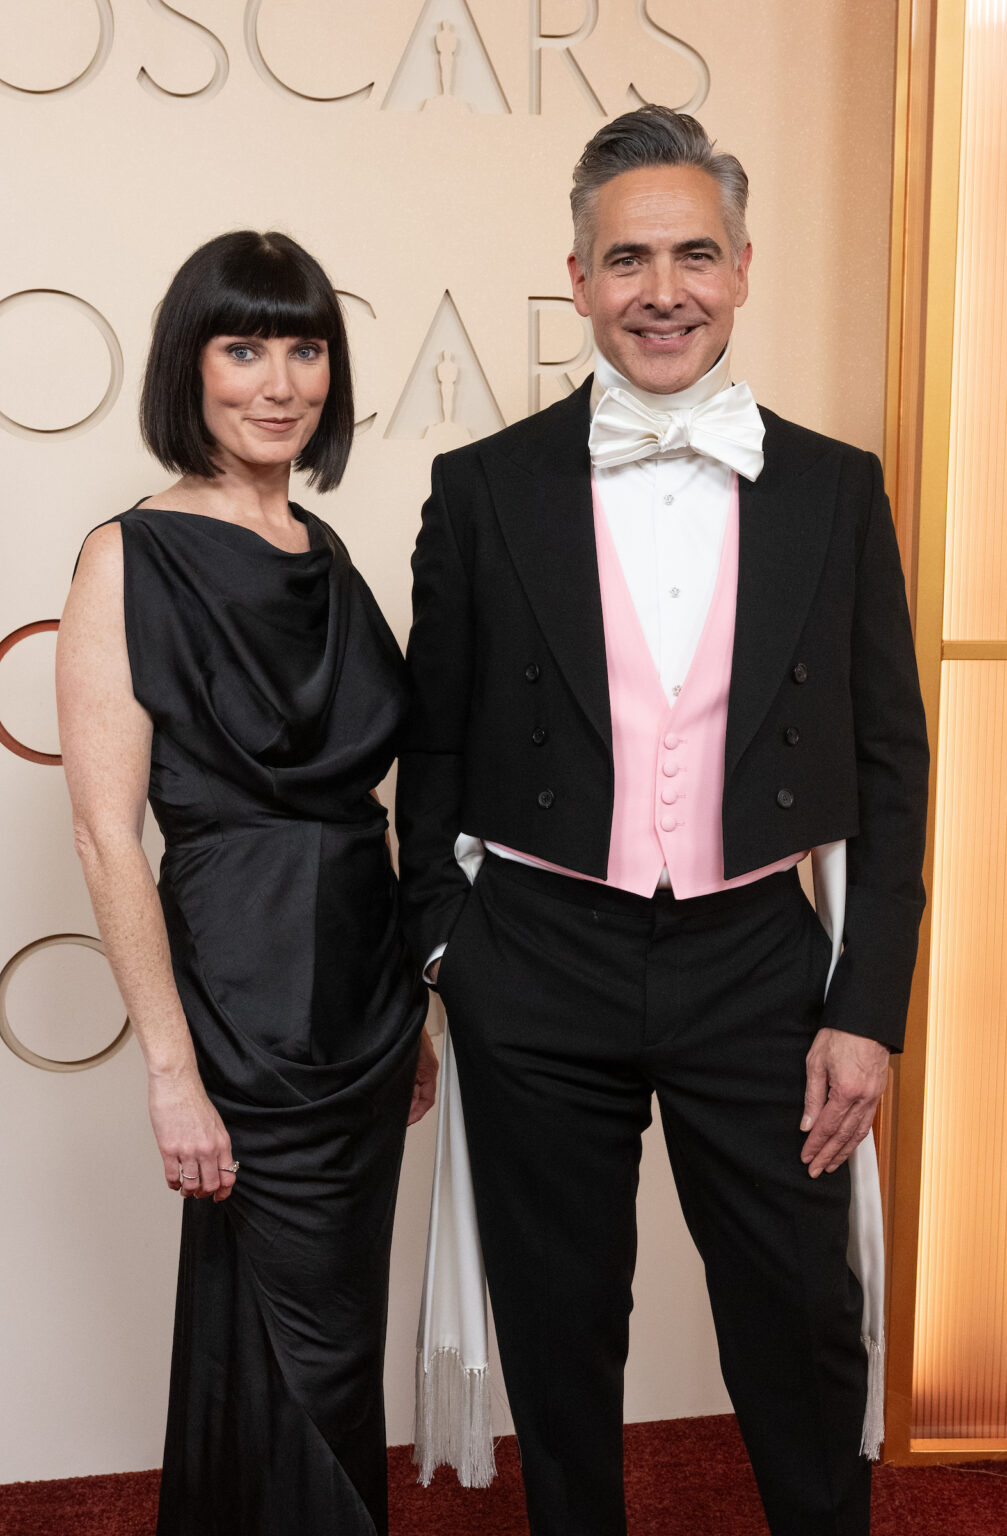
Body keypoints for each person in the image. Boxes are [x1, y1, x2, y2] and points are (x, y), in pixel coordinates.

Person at [396, 107, 928, 1536]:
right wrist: (451, 956)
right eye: (627, 258)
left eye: (696, 253)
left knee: (805, 1319)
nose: (663, 289)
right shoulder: (483, 489)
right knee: (562, 1335)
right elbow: (430, 743)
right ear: (577, 278)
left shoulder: (836, 488)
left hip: (762, 958)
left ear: (744, 268)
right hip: (539, 955)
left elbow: (889, 764)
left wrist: (866, 1004)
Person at [56, 230, 437, 1536]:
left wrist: (419, 1010)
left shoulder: (325, 549)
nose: (280, 381)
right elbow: (109, 834)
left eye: (306, 347)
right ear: (191, 367)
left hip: (367, 1014)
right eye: (244, 347)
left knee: (322, 1340)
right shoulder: (130, 558)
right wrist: (171, 1068)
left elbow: (383, 804)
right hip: (237, 1015)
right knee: (304, 1346)